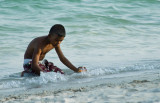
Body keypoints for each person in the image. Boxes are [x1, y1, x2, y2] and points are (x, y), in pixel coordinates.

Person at [21, 24, 87, 76]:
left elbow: (62, 58)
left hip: (41, 63)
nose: (58, 43)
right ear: (49, 36)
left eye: (61, 41)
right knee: (50, 75)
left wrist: (76, 70)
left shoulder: (55, 43)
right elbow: (34, 65)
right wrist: (46, 75)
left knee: (61, 74)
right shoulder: (40, 44)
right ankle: (26, 73)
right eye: (56, 40)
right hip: (30, 63)